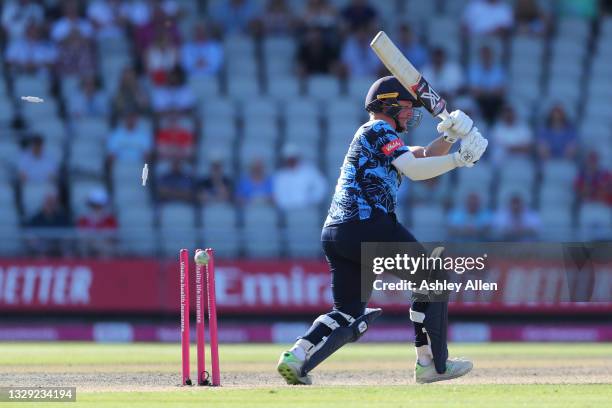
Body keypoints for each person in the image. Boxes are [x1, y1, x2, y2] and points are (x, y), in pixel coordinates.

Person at [276, 76, 487, 385]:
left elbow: (422, 156)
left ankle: (297, 355)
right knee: (433, 276)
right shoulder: (378, 129)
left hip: (338, 233)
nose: (408, 114)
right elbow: (415, 171)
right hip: (368, 227)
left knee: (347, 311)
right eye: (404, 108)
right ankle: (431, 364)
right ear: (386, 105)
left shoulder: (379, 136)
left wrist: (451, 137)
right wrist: (459, 160)